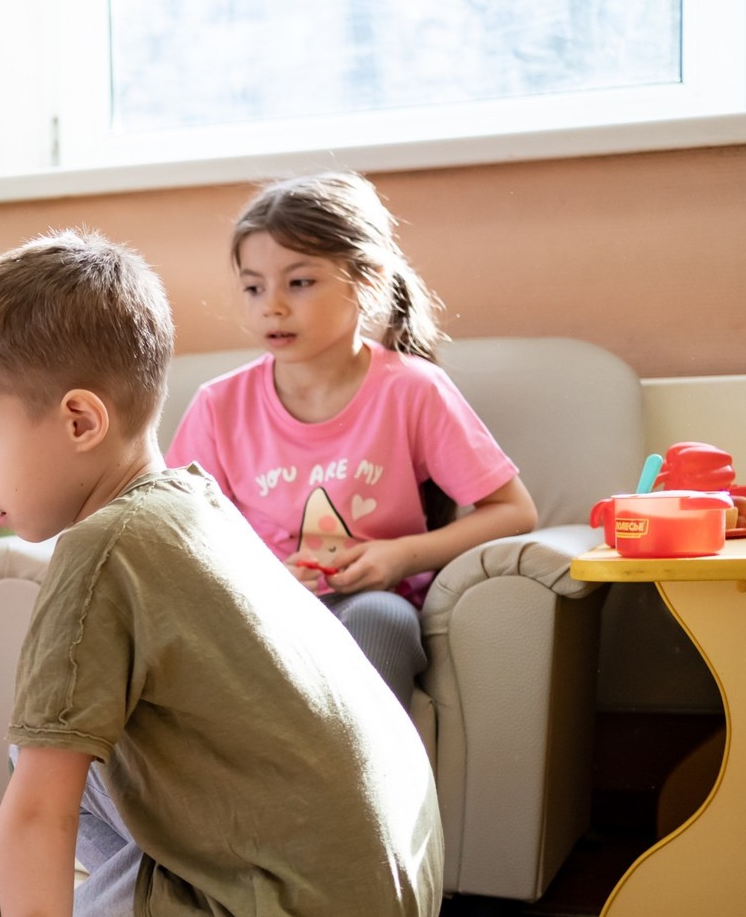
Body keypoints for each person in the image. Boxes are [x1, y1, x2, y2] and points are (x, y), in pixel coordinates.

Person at [0, 230, 514, 917]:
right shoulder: (194, 500)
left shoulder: (100, 552)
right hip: (366, 904)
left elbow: (33, 822)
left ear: (79, 421)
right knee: (43, 748)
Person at [164, 171, 537, 708]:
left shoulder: (412, 389)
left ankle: (360, 762)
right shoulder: (219, 404)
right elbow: (178, 535)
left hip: (373, 602)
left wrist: (400, 556)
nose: (272, 306)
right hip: (258, 604)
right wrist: (259, 579)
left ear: (368, 281)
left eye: (299, 282)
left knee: (380, 620)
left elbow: (513, 511)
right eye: (253, 287)